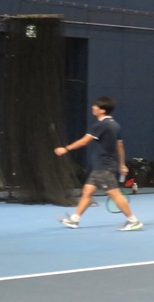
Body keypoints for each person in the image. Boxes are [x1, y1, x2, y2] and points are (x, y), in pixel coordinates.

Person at [55, 96, 142, 231]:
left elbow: (84, 141)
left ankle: (133, 220)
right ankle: (74, 219)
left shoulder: (101, 125)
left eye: (95, 106)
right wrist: (122, 164)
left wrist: (66, 149)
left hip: (103, 166)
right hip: (103, 166)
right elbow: (120, 146)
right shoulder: (115, 125)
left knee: (114, 194)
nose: (93, 107)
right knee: (87, 192)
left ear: (102, 110)